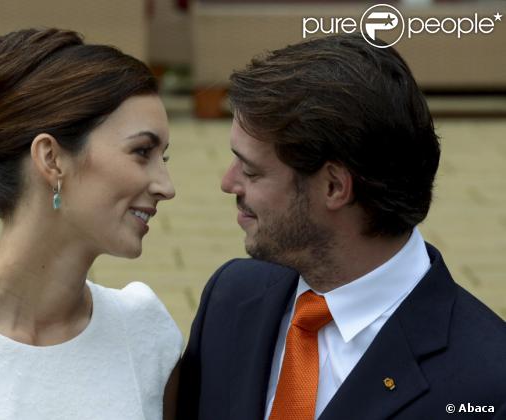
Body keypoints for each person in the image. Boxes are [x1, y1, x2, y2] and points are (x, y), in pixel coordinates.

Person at [177, 33, 506, 419]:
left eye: (251, 170)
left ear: (334, 186)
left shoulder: (487, 382)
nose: (228, 182)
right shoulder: (231, 298)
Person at [0, 28, 182, 420]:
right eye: (142, 152)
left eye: (165, 157)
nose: (166, 186)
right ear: (51, 158)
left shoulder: (146, 332)